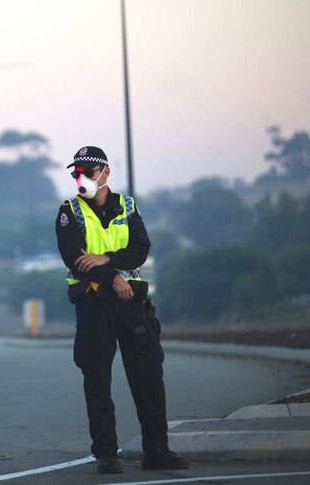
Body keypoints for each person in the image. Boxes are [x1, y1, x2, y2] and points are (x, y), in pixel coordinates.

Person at [55, 146, 189, 474]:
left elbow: (140, 249)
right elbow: (75, 258)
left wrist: (108, 260)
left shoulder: (127, 206)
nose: (81, 178)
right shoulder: (69, 211)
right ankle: (106, 453)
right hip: (93, 305)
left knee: (148, 377)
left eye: (87, 171)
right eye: (76, 173)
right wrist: (112, 277)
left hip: (131, 305)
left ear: (105, 173)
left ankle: (157, 451)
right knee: (97, 380)